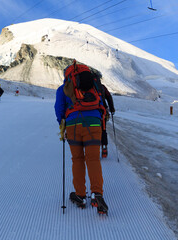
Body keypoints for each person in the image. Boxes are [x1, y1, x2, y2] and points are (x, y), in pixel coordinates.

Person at [54, 60, 108, 215]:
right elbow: (102, 103)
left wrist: (62, 124)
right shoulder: (94, 86)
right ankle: (97, 194)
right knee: (93, 159)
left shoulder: (63, 88)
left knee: (77, 159)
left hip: (73, 125)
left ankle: (80, 195)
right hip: (94, 124)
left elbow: (59, 109)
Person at [101, 84, 115, 158]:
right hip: (102, 111)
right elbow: (109, 97)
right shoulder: (102, 87)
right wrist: (112, 109)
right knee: (103, 129)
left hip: (88, 112)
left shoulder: (84, 86)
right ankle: (104, 148)